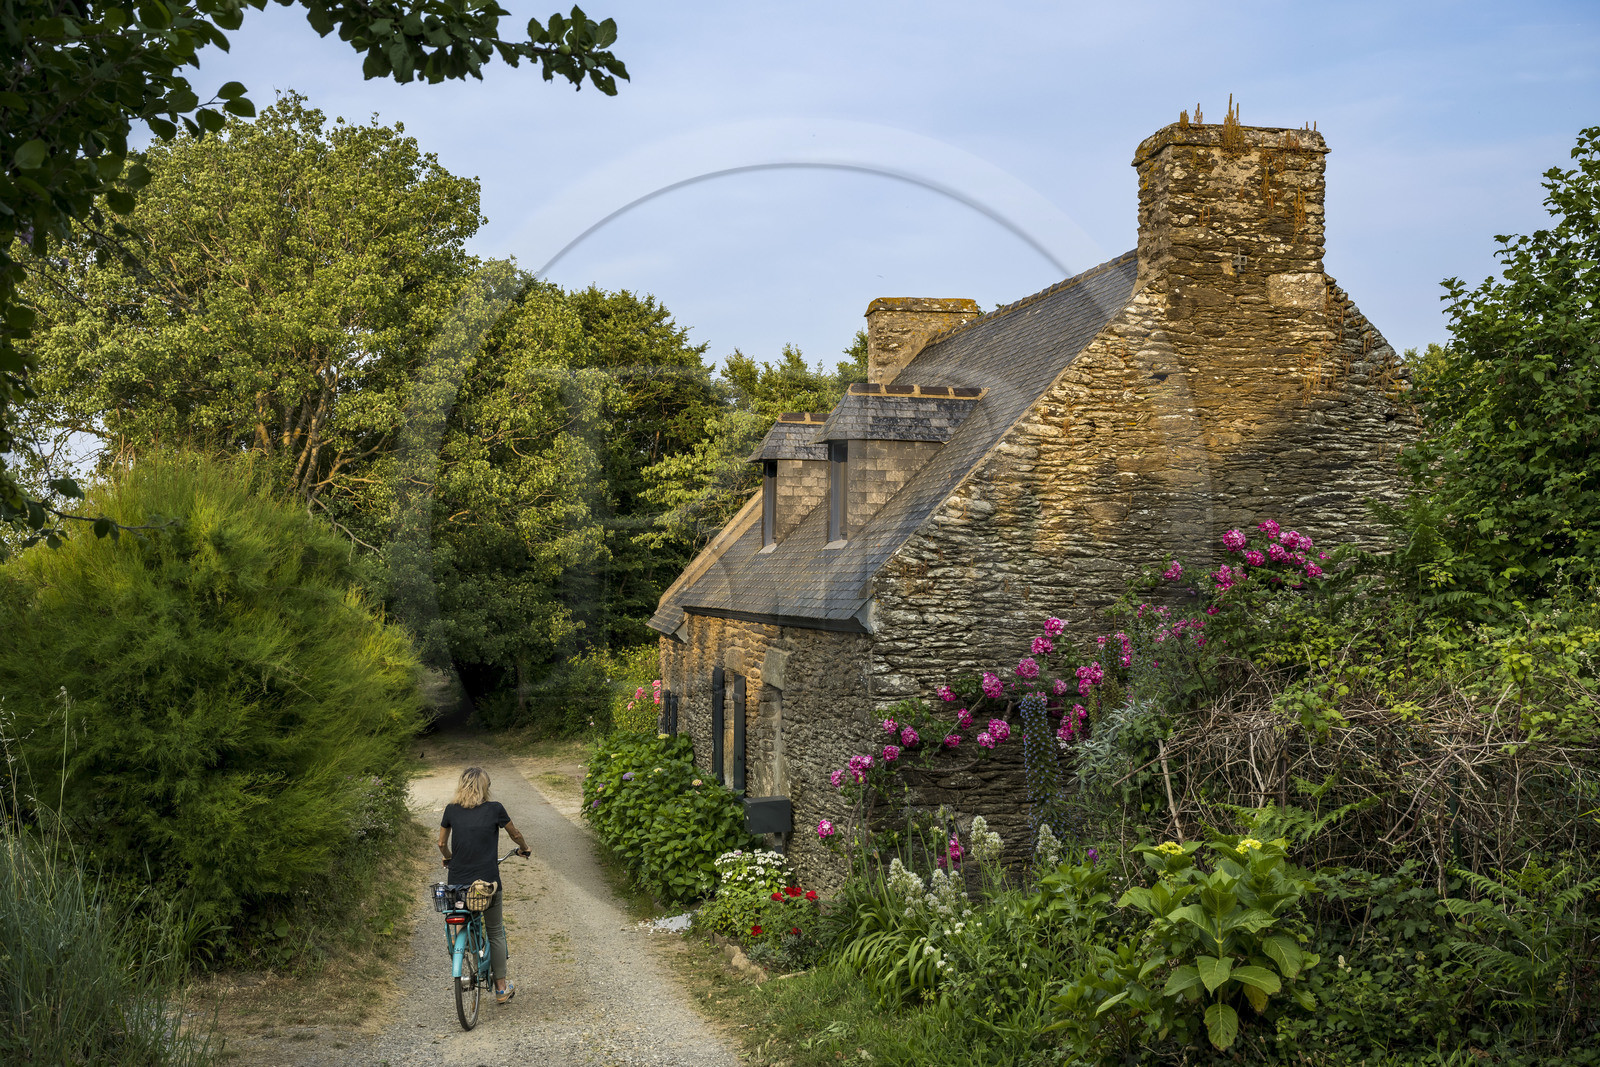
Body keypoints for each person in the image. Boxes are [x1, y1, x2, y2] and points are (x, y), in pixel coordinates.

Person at [438, 766, 530, 1004]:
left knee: (459, 919)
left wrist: (449, 857)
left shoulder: (451, 810)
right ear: (484, 787)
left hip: (458, 883)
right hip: (487, 884)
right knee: (496, 931)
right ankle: (501, 988)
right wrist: (524, 848)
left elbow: (440, 843)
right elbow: (515, 834)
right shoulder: (495, 809)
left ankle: (466, 960)